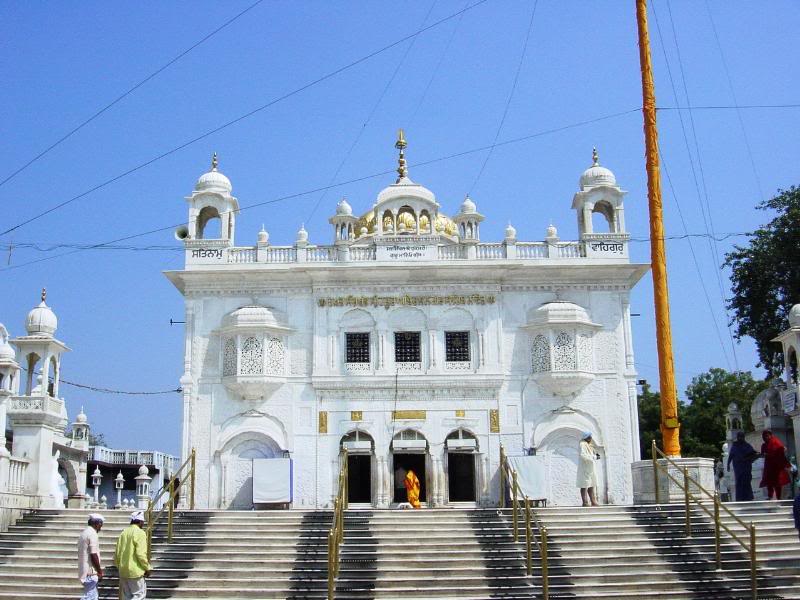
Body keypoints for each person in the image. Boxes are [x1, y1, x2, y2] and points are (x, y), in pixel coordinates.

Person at [114, 511, 152, 599]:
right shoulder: (140, 533)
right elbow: (141, 554)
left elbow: (117, 553)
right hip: (135, 571)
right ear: (140, 522)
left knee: (127, 596)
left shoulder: (124, 532)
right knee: (139, 595)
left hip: (123, 571)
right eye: (143, 522)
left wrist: (119, 566)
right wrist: (147, 568)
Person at [77, 513, 104, 600]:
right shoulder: (92, 534)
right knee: (89, 597)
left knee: (93, 596)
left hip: (84, 571)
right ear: (96, 524)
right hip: (90, 573)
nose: (100, 528)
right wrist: (99, 571)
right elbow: (93, 554)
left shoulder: (84, 533)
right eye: (100, 525)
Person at [759, 430, 791, 500]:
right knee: (769, 482)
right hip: (769, 466)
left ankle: (779, 497)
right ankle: (770, 496)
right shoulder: (764, 445)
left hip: (776, 466)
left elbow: (781, 450)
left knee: (777, 482)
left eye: (767, 436)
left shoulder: (775, 442)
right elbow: (762, 454)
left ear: (770, 435)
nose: (765, 437)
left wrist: (781, 450)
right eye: (764, 436)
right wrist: (762, 455)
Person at [727, 431, 758, 501]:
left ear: (744, 437)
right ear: (737, 437)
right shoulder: (734, 446)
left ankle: (748, 497)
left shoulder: (747, 445)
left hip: (746, 466)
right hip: (738, 467)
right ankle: (739, 497)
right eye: (739, 437)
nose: (740, 438)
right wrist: (728, 464)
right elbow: (731, 456)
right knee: (739, 481)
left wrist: (752, 457)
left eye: (742, 436)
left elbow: (753, 454)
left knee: (746, 481)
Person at [577, 432, 600, 507]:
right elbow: (583, 455)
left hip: (590, 468)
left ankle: (593, 501)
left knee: (591, 484)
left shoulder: (589, 445)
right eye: (589, 437)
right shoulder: (582, 444)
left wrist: (595, 455)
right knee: (584, 485)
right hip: (585, 468)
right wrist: (594, 457)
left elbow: (591, 455)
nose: (591, 438)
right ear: (586, 437)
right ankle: (585, 502)